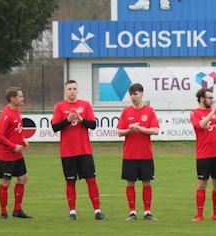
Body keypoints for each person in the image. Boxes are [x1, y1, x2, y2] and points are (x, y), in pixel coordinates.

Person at [51, 80, 107, 221]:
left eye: (74, 88)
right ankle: (72, 212)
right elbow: (55, 127)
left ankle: (97, 211)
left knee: (91, 180)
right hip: (67, 152)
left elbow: (93, 125)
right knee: (70, 182)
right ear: (65, 91)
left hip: (84, 151)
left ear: (78, 90)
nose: (72, 91)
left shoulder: (85, 105)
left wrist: (81, 119)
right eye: (69, 89)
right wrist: (68, 120)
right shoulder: (59, 106)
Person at [117, 83, 160, 221]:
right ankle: (132, 212)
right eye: (130, 94)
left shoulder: (150, 111)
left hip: (145, 154)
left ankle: (147, 212)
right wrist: (130, 130)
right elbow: (119, 132)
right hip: (130, 155)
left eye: (135, 94)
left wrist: (140, 129)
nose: (133, 97)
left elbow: (155, 130)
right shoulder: (125, 112)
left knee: (146, 183)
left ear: (141, 94)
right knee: (130, 183)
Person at [190, 88, 216, 222]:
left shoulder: (214, 111)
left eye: (212, 98)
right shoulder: (195, 113)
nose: (212, 100)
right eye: (209, 98)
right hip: (203, 155)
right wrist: (213, 111)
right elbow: (200, 125)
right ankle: (199, 215)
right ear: (202, 99)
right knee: (202, 184)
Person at [0, 87, 32, 219]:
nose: (23, 98)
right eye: (20, 96)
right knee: (6, 182)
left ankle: (17, 210)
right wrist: (12, 145)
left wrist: (22, 140)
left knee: (23, 178)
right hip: (6, 154)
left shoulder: (17, 110)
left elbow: (16, 130)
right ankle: (3, 212)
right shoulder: (6, 114)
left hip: (17, 153)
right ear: (12, 99)